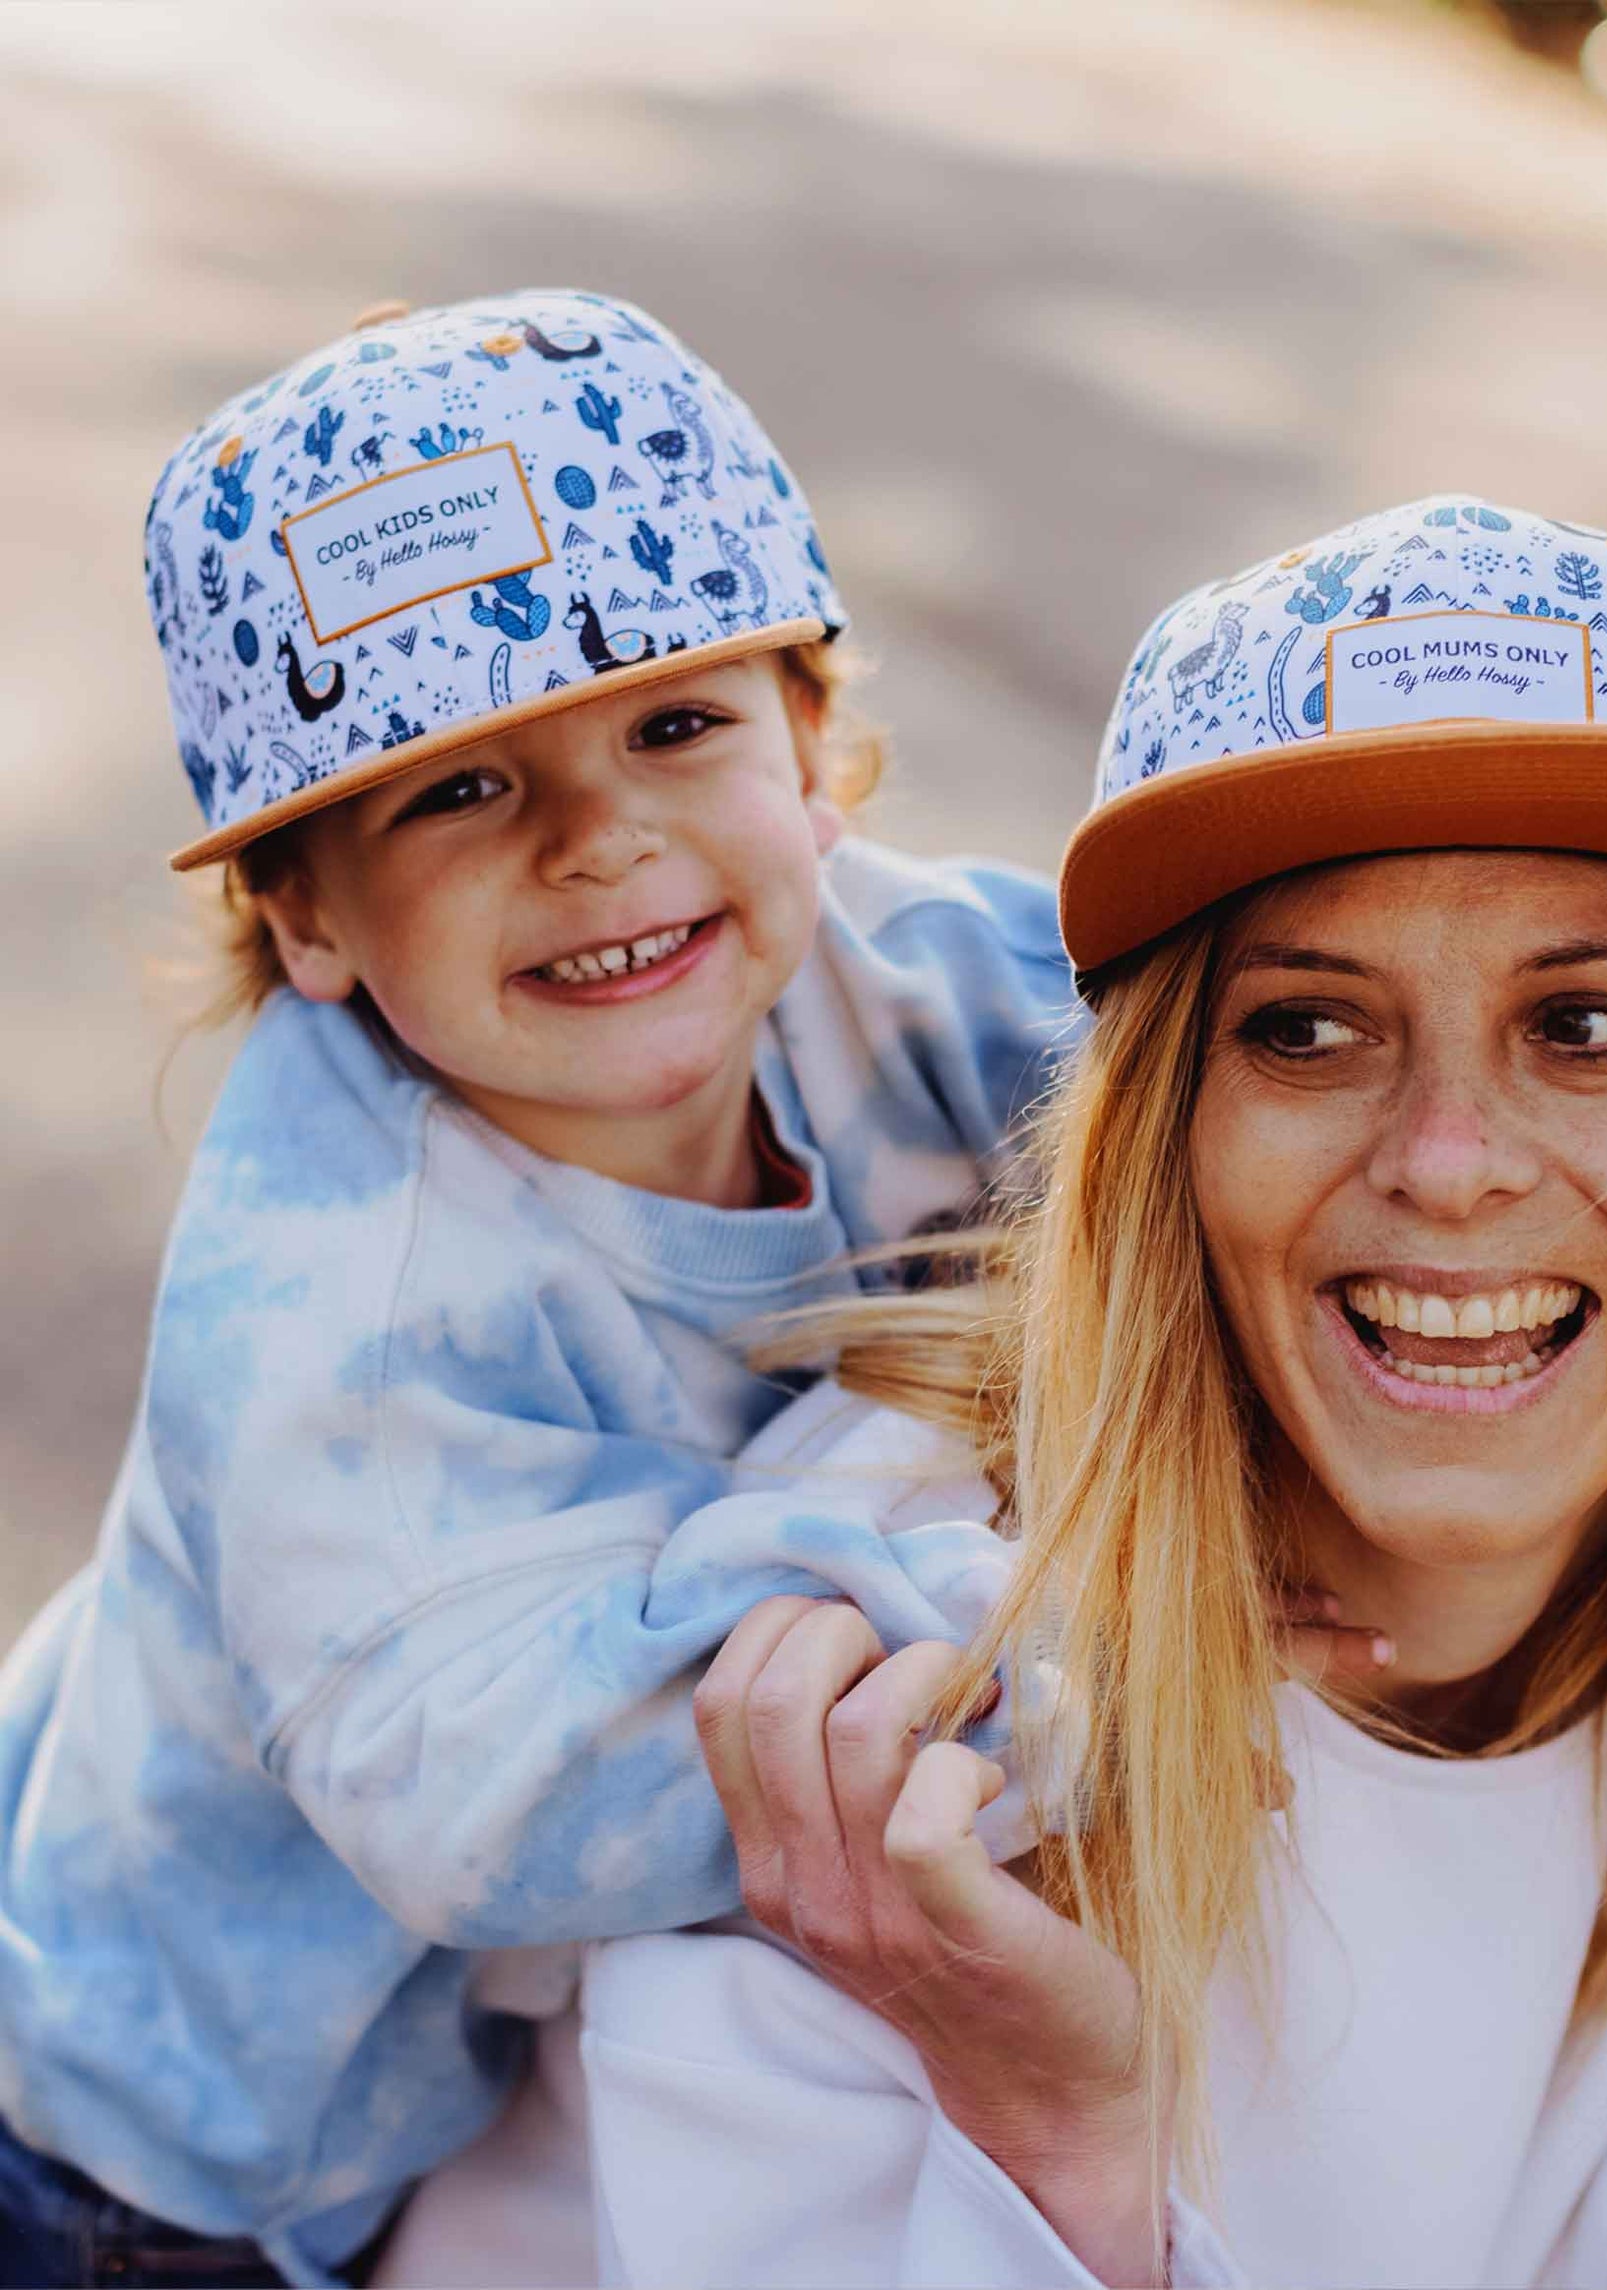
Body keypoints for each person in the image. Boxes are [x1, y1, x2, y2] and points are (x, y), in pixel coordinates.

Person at [582, 497, 1607, 2289]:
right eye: (1304, 1027)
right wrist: (1058, 2150)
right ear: (1160, 1137)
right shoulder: (889, 1670)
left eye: (1591, 1024)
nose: (1449, 1163)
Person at [0, 289, 1078, 2288]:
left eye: (674, 721)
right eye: (456, 787)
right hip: (173, 2139)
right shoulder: (350, 1311)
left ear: (816, 750)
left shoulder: (884, 958)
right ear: (305, 913)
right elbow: (512, 1809)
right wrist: (1055, 1632)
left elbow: (1171, 1083)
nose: (602, 838)